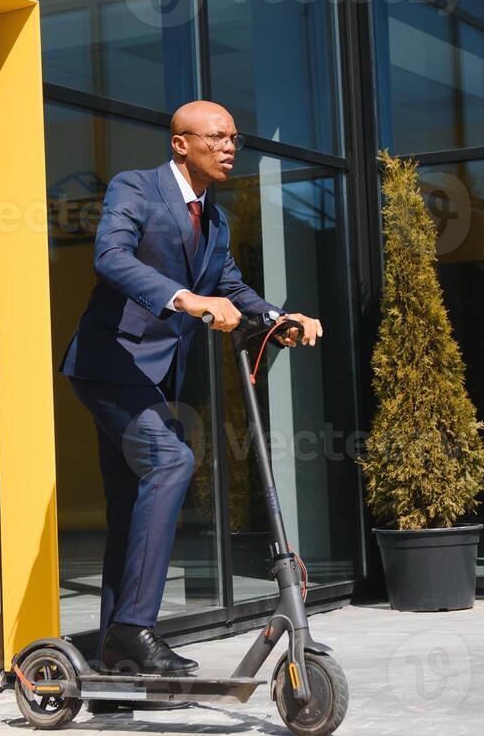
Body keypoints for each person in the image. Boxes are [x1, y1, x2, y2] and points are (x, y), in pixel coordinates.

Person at [59, 100, 323, 686]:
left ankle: (116, 654)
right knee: (172, 457)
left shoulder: (215, 219)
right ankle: (132, 629)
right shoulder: (137, 188)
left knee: (130, 510)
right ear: (181, 144)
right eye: (217, 137)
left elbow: (230, 285)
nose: (230, 147)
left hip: (150, 376)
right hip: (108, 363)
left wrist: (280, 317)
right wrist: (186, 298)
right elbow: (111, 257)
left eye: (235, 138)